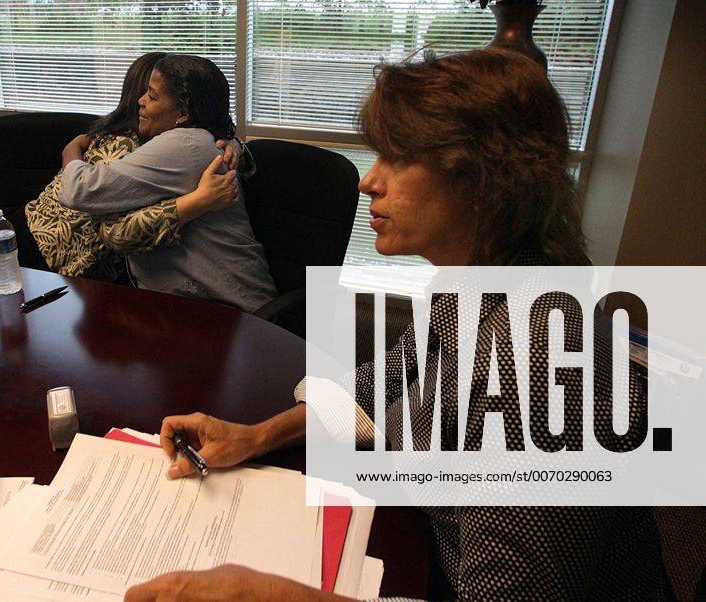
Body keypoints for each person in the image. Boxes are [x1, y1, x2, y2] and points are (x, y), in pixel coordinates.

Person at [124, 49, 667, 601]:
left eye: (398, 158)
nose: (368, 183)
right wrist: (255, 436)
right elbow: (382, 383)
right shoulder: (468, 280)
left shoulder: (540, 356)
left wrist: (260, 595)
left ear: (484, 179)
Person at [56, 54, 277, 314]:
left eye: (152, 95)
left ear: (183, 113)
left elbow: (79, 189)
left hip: (227, 310)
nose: (141, 100)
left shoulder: (182, 145)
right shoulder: (200, 141)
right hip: (185, 305)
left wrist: (70, 151)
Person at [25, 52, 245, 283]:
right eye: (148, 92)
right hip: (46, 252)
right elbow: (111, 226)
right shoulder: (125, 145)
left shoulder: (170, 144)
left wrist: (234, 144)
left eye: (152, 95)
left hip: (71, 257)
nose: (143, 99)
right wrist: (70, 151)